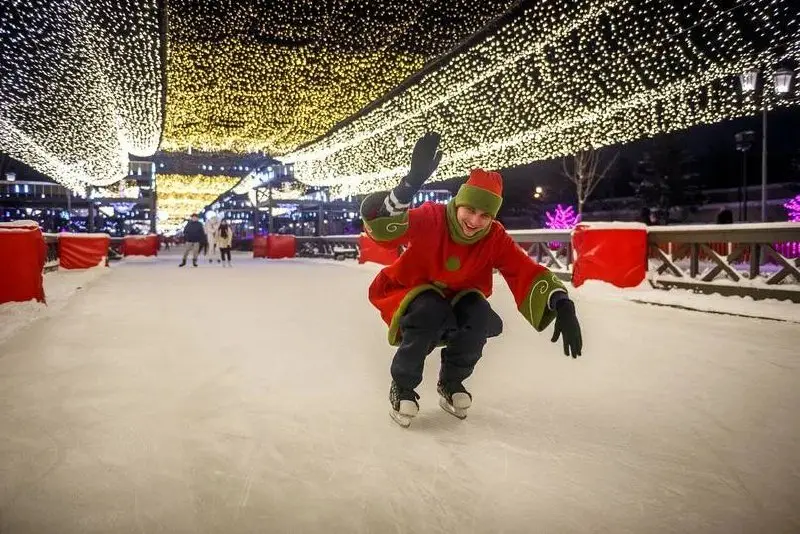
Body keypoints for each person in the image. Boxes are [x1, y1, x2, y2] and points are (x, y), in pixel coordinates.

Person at [360, 132, 583, 427]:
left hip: (458, 300)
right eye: (470, 210)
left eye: (484, 215)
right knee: (429, 309)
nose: (475, 221)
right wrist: (409, 186)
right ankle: (402, 387)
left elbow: (522, 269)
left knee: (478, 314)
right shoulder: (432, 216)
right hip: (415, 291)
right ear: (458, 204)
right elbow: (386, 230)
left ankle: (451, 383)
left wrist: (561, 301)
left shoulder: (494, 237)